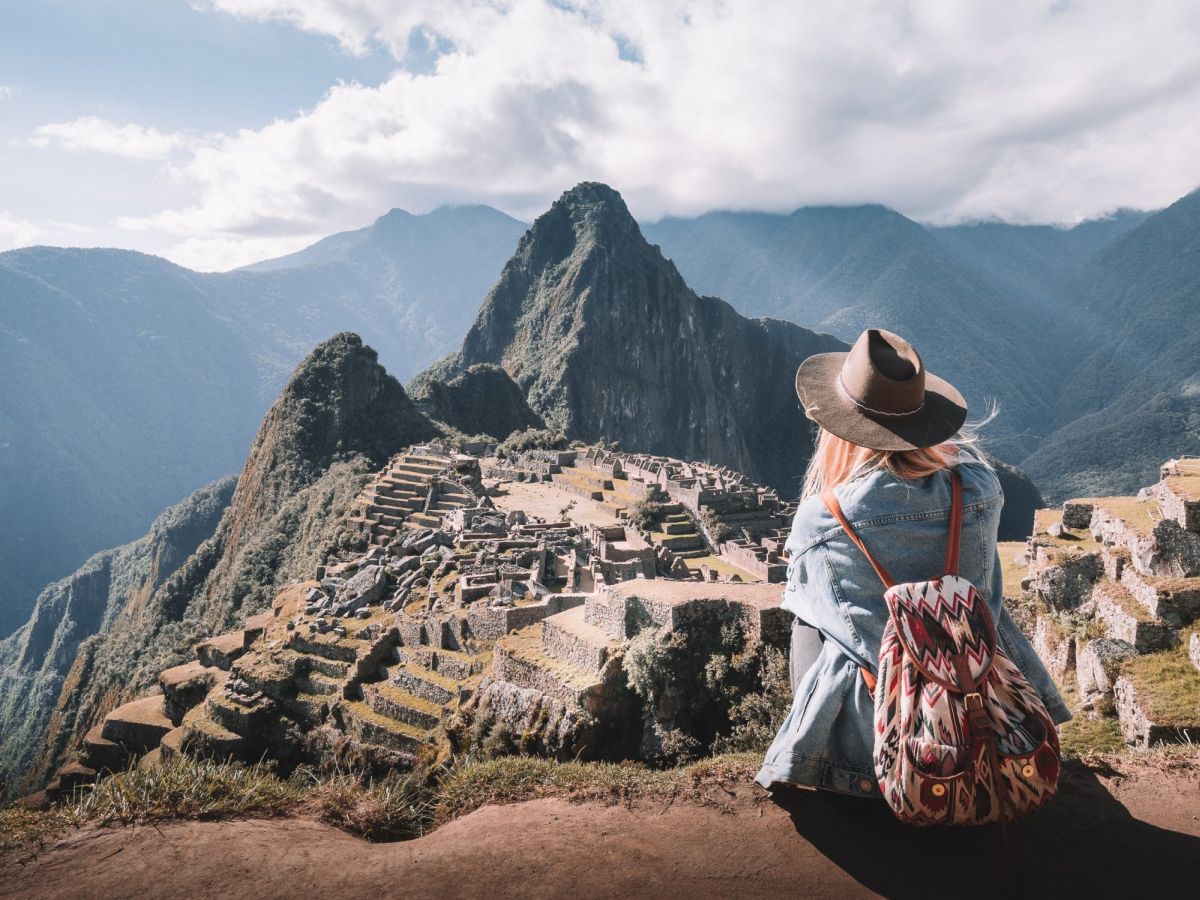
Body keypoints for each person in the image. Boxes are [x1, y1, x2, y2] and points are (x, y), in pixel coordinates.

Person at [755, 327, 1070, 797]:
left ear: (839, 428)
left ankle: (819, 753)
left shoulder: (823, 516)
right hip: (987, 726)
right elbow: (989, 595)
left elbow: (811, 603)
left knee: (806, 616)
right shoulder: (980, 489)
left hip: (877, 753)